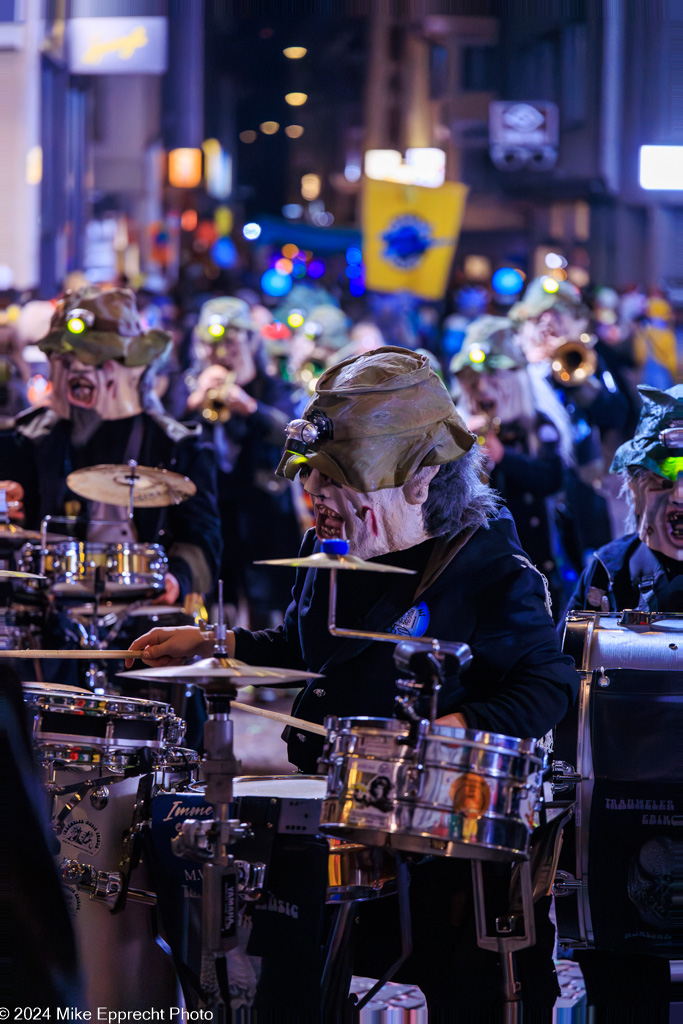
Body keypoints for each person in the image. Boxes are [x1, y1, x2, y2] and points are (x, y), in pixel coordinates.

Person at [127, 347, 579, 1017]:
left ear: (422, 480)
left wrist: (443, 733)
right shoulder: (333, 552)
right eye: (312, 478)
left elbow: (547, 687)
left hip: (448, 847)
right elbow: (306, 648)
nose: (316, 499)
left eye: (339, 483)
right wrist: (213, 641)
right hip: (338, 817)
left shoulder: (493, 568)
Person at [186, 296, 301, 628]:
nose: (220, 352)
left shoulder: (276, 389)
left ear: (251, 341)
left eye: (230, 342)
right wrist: (194, 403)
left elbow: (292, 434)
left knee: (269, 611)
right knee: (218, 606)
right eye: (211, 344)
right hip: (215, 513)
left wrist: (250, 407)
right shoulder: (189, 387)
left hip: (264, 518)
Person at [451, 314, 574, 616]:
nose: (482, 388)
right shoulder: (460, 428)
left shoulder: (539, 426)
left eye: (493, 378)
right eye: (474, 379)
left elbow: (551, 478)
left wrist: (504, 456)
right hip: (477, 567)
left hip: (533, 562)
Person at [510, 277, 629, 563]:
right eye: (540, 315)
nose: (550, 323)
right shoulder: (510, 361)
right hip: (529, 497)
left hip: (583, 495)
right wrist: (530, 367)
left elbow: (617, 414)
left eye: (560, 314)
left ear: (578, 321)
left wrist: (579, 380)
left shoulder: (587, 359)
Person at [566, 383, 683, 613]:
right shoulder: (609, 569)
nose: (679, 496)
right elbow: (570, 646)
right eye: (663, 482)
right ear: (634, 489)